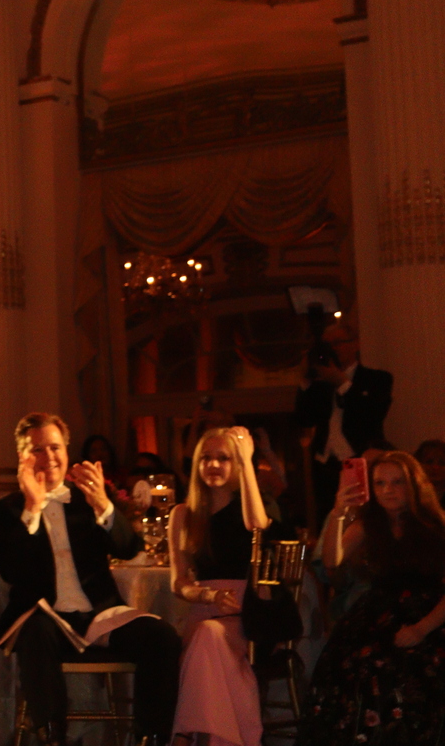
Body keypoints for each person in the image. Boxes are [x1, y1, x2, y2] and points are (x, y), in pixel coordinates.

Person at [0, 412, 182, 746]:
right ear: (23, 459)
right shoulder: (4, 511)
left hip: (98, 615)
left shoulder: (87, 498)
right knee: (35, 631)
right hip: (42, 615)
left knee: (161, 637)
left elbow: (130, 549)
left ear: (66, 451)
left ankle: (150, 737)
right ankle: (52, 736)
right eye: (37, 449)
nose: (48, 457)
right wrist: (32, 509)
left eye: (55, 447)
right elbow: (12, 572)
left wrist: (105, 507)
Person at [301, 452, 445, 744]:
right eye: (379, 483)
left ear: (414, 485)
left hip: (429, 615)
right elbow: (332, 562)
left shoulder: (435, 526)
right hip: (377, 613)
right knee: (351, 669)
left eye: (397, 482)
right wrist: (339, 513)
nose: (388, 490)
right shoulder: (370, 524)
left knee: (405, 676)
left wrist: (422, 628)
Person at [168, 427, 271, 746]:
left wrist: (246, 457)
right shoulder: (183, 514)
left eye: (224, 458)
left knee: (208, 641)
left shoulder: (247, 509)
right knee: (206, 637)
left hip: (247, 615)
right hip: (204, 608)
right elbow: (178, 581)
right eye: (206, 458)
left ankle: (185, 736)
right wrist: (206, 594)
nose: (213, 465)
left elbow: (259, 527)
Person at [293, 318, 392, 520]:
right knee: (328, 517)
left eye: (337, 343)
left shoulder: (378, 379)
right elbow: (303, 420)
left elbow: (372, 415)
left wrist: (342, 383)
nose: (333, 349)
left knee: (364, 518)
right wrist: (305, 382)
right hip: (325, 464)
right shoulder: (320, 384)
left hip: (361, 460)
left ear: (355, 344)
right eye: (327, 345)